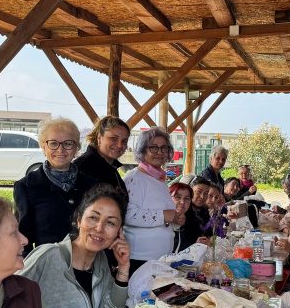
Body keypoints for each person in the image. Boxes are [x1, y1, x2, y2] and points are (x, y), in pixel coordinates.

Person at [22, 185, 131, 308]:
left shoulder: (101, 263)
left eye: (110, 223)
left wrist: (123, 268)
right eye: (93, 218)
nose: (99, 228)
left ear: (119, 232)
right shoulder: (48, 256)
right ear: (79, 220)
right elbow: (2, 305)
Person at [13, 116, 96, 254]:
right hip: (47, 263)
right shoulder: (26, 186)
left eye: (68, 143)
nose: (60, 149)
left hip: (87, 261)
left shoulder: (92, 185)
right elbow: (23, 238)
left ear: (76, 147)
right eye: (53, 143)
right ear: (43, 147)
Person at [123, 127, 176, 271]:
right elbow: (128, 215)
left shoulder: (158, 178)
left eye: (164, 148)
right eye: (153, 147)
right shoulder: (135, 178)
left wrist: (174, 219)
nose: (160, 152)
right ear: (142, 150)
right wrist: (163, 215)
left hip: (158, 259)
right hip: (140, 259)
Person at [72, 115, 130, 202]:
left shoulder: (110, 168)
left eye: (124, 141)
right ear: (99, 138)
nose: (119, 145)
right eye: (113, 138)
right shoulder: (82, 167)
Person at [169, 182, 203, 252]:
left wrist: (196, 245)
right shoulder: (159, 220)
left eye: (187, 198)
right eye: (178, 197)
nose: (182, 202)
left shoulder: (188, 222)